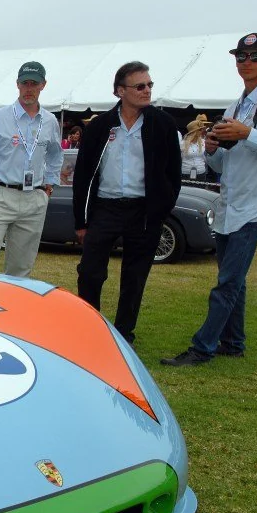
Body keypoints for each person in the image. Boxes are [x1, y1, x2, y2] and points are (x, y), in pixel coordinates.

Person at [163, 33, 257, 366]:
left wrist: (247, 134)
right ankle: (233, 342)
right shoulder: (236, 104)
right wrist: (211, 150)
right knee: (232, 278)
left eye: (255, 57)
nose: (246, 63)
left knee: (227, 282)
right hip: (229, 200)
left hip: (254, 203)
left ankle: (203, 347)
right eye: (241, 57)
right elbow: (222, 164)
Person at [72, 61, 181, 345]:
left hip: (143, 211)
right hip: (105, 208)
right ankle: (89, 326)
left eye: (149, 85)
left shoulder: (163, 125)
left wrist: (161, 208)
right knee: (90, 272)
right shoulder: (100, 127)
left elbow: (173, 173)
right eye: (140, 86)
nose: (147, 91)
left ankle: (123, 335)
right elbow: (83, 175)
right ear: (121, 91)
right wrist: (81, 221)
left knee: (134, 277)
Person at [0, 61, 63, 278]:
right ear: (17, 84)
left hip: (33, 199)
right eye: (25, 83)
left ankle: (12, 311)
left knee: (21, 269)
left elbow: (56, 154)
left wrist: (49, 184)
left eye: (34, 83)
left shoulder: (49, 121)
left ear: (43, 85)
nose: (29, 88)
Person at [181, 114, 211, 181]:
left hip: (201, 172)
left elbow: (206, 158)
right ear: (194, 131)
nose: (202, 131)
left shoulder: (204, 142)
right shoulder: (182, 143)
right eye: (200, 130)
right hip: (186, 172)